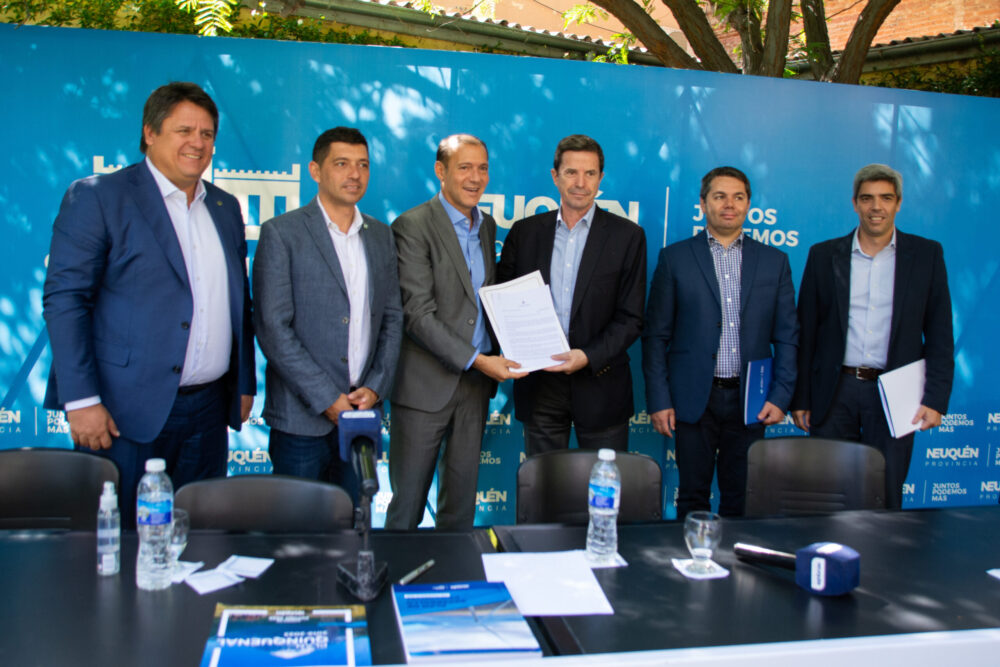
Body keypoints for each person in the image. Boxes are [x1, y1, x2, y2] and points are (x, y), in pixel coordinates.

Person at [42, 82, 255, 526]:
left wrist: (243, 382)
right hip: (122, 413)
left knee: (199, 538)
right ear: (150, 133)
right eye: (184, 131)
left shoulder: (224, 207)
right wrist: (80, 400)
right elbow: (66, 301)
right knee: (119, 542)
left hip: (208, 413)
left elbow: (239, 304)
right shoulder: (99, 196)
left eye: (207, 134)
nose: (198, 143)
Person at [792, 163, 953, 509]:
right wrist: (801, 397)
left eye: (885, 198)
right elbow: (806, 332)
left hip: (896, 392)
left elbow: (940, 333)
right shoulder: (823, 255)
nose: (876, 207)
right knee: (827, 493)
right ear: (854, 203)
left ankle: (885, 548)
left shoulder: (926, 255)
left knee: (886, 492)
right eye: (867, 198)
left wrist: (936, 399)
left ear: (898, 203)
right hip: (835, 391)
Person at [385, 134, 525, 531]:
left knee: (459, 509)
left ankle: (453, 569)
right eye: (464, 167)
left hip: (474, 389)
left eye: (482, 168)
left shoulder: (486, 225)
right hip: (425, 387)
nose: (475, 178)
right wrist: (479, 360)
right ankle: (395, 572)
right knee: (407, 506)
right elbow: (417, 315)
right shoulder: (412, 225)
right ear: (441, 171)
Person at [253, 127, 402, 499]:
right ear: (315, 171)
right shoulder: (282, 234)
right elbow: (273, 328)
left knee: (355, 520)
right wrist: (326, 398)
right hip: (301, 421)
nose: (354, 174)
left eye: (363, 165)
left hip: (362, 413)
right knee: (298, 525)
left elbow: (392, 318)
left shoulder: (380, 235)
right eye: (342, 164)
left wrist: (376, 387)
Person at [642, 166, 797, 518]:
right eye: (720, 196)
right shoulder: (675, 259)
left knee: (741, 499)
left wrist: (780, 395)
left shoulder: (774, 262)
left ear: (748, 204)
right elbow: (656, 337)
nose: (730, 204)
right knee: (692, 497)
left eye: (738, 197)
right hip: (693, 399)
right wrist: (660, 400)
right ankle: (690, 556)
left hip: (751, 400)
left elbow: (787, 336)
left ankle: (734, 557)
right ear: (703, 203)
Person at [496, 134, 646, 455]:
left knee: (603, 482)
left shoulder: (628, 236)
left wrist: (587, 356)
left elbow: (631, 318)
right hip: (540, 385)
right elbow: (503, 303)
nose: (580, 182)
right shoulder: (525, 233)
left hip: (601, 382)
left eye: (590, 173)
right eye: (571, 172)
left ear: (600, 178)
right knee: (543, 482)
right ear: (555, 176)